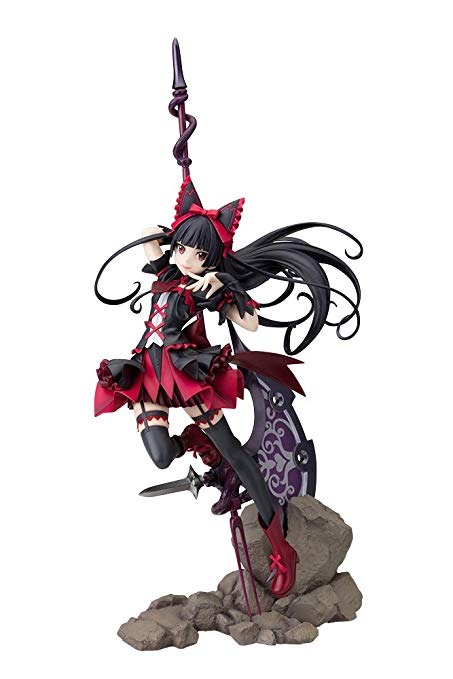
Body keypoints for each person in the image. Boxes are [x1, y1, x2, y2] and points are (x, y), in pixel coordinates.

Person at [94, 176, 362, 598]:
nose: (187, 259)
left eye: (200, 254)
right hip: (146, 374)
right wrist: (178, 228)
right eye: (183, 248)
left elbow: (250, 323)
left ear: (212, 259)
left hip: (186, 374)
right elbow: (148, 236)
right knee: (162, 457)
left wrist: (223, 285)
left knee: (236, 456)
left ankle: (280, 547)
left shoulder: (207, 289)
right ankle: (193, 441)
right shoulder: (166, 272)